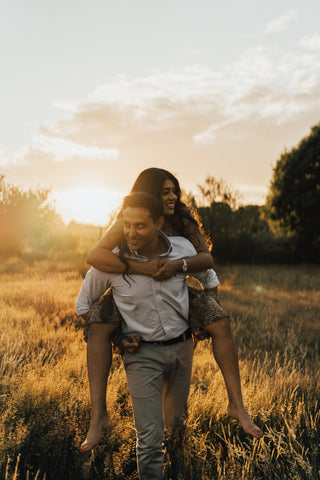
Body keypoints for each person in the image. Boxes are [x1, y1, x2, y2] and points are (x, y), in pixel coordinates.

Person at [84, 168, 263, 447]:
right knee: (97, 328)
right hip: (131, 291)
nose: (173, 196)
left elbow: (207, 264)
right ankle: (98, 416)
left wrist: (203, 313)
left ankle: (236, 405)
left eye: (174, 190)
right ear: (148, 197)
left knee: (221, 323)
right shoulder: (130, 221)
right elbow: (94, 256)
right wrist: (140, 268)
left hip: (176, 281)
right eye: (165, 192)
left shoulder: (183, 220)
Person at [76, 192, 220, 479]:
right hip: (142, 357)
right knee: (151, 440)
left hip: (182, 350)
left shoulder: (180, 249)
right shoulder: (111, 261)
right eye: (127, 224)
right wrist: (117, 340)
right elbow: (84, 307)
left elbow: (210, 280)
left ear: (158, 222)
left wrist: (202, 320)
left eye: (140, 225)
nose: (131, 232)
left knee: (177, 427)